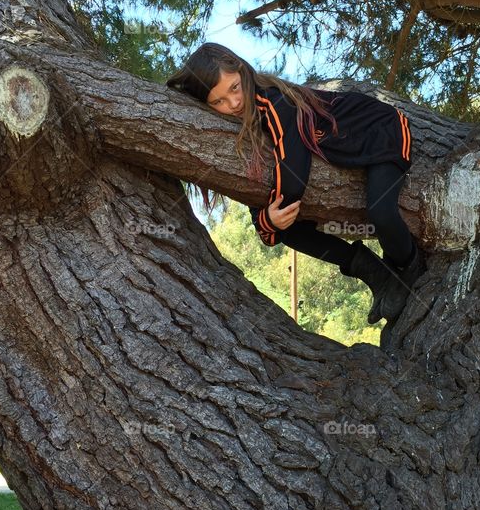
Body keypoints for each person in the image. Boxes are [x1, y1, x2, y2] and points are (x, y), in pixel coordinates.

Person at [166, 42, 426, 324]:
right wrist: (269, 221)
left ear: (243, 71)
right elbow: (269, 184)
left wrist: (265, 224)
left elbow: (293, 175)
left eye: (234, 88)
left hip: (381, 130)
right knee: (289, 230)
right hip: (352, 148)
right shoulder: (253, 118)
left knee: (381, 211)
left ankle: (408, 267)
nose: (233, 103)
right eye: (218, 102)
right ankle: (375, 273)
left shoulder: (274, 101)